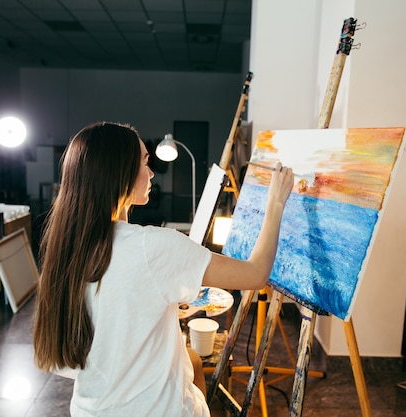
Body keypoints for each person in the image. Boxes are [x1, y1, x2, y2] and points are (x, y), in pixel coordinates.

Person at [33, 121, 294, 417]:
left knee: (193, 361)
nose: (151, 172)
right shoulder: (152, 247)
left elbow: (108, 312)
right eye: (145, 162)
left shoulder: (69, 247)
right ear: (119, 174)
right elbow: (256, 274)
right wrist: (275, 203)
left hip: (89, 409)